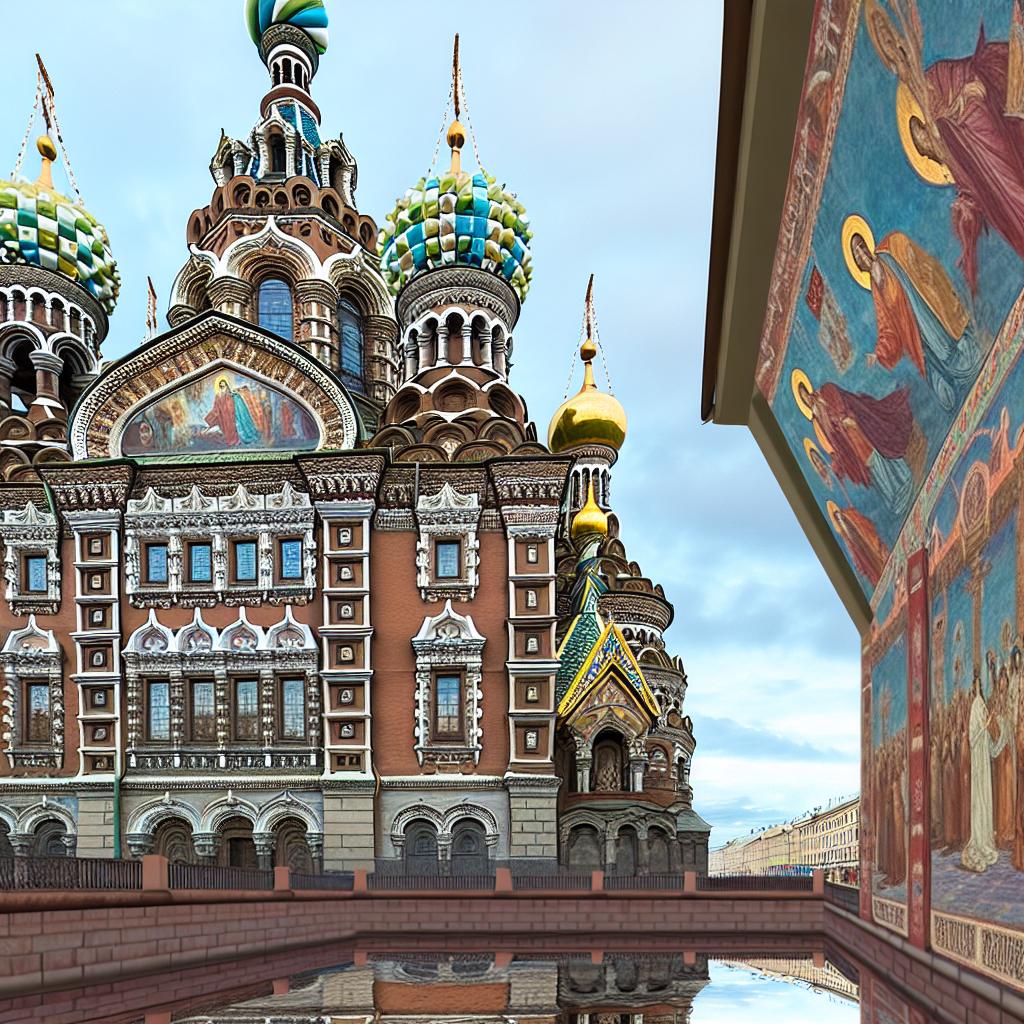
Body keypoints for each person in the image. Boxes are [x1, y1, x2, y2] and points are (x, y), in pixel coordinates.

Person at [849, 226, 980, 412]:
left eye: (861, 247)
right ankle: (960, 387)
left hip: (925, 310)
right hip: (914, 333)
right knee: (936, 368)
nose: (862, 255)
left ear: (867, 246)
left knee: (945, 347)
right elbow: (887, 327)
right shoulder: (876, 289)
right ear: (857, 264)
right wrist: (879, 353)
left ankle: (969, 366)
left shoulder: (890, 249)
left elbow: (914, 258)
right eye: (857, 255)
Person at [962, 674, 1000, 872]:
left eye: (979, 683)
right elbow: (972, 739)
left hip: (984, 759)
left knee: (986, 797)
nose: (978, 686)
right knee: (980, 799)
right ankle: (979, 840)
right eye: (976, 683)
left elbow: (987, 736)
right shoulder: (975, 706)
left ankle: (987, 839)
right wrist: (985, 726)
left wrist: (992, 728)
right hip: (978, 761)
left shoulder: (982, 703)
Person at [204, 378, 261, 446]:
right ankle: (232, 441)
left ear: (227, 386)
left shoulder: (232, 395)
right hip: (224, 418)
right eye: (221, 386)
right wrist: (210, 418)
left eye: (224, 386)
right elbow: (216, 409)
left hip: (232, 416)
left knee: (236, 429)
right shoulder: (218, 396)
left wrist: (236, 396)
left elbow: (237, 404)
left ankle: (238, 440)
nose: (223, 388)